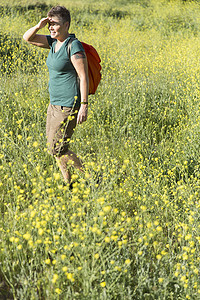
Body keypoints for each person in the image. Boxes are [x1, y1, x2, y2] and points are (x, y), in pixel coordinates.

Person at [23, 6, 89, 186]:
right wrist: (39, 25)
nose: (51, 27)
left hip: (68, 104)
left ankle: (91, 177)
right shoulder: (53, 42)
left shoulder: (73, 45)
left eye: (55, 24)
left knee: (56, 148)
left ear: (66, 25)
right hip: (53, 104)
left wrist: (84, 104)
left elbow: (83, 76)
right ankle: (68, 182)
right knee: (57, 148)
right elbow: (27, 38)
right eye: (50, 24)